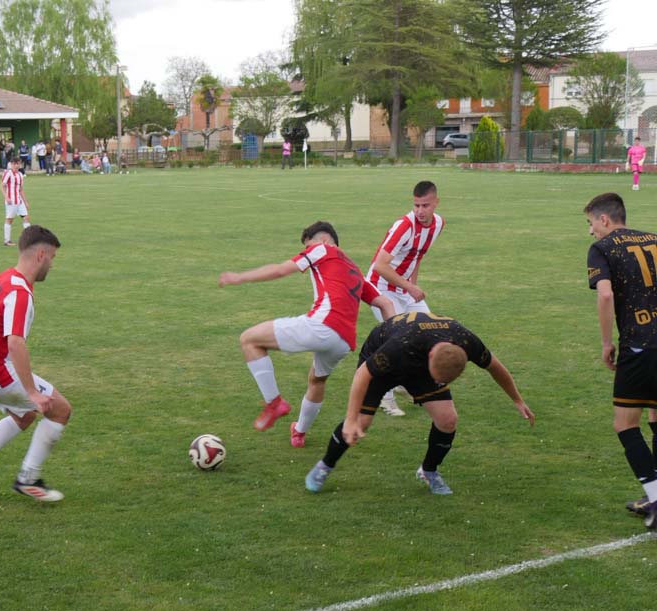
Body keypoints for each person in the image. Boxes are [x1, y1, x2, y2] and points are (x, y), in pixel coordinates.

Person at [304, 311, 535, 495]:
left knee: (448, 419)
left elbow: (495, 367)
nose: (438, 383)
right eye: (437, 378)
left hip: (419, 364)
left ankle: (429, 471)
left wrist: (517, 400)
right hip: (382, 359)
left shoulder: (466, 341)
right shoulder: (402, 346)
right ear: (432, 358)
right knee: (361, 423)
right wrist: (351, 419)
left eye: (441, 381)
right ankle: (325, 465)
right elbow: (362, 375)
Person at [219, 221, 395, 446]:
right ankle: (299, 432)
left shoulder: (322, 249)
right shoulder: (355, 270)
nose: (306, 251)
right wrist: (393, 342)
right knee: (317, 380)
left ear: (322, 240)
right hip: (343, 342)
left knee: (249, 340)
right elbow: (386, 303)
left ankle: (274, 403)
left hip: (323, 325)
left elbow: (281, 269)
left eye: (307, 245)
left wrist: (240, 277)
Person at [0, 225, 71, 503]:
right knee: (60, 411)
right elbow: (15, 342)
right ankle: (28, 479)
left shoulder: (5, 278)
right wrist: (32, 392)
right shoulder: (19, 293)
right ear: (41, 254)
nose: (52, 265)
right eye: (53, 257)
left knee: (25, 414)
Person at [584, 193, 657, 526]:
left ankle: (655, 500)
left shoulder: (604, 248)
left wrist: (605, 342)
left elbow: (606, 294)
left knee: (625, 424)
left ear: (604, 220)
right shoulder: (654, 239)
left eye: (590, 224)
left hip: (640, 345)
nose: (590, 232)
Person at [366, 179, 445, 417]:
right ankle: (384, 397)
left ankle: (405, 383)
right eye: (416, 205)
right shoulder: (404, 226)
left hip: (403, 288)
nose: (420, 211)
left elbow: (417, 255)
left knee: (430, 331)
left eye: (425, 205)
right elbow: (379, 265)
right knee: (397, 340)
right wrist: (410, 287)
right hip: (379, 288)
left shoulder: (438, 224)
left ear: (436, 203)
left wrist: (412, 284)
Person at [1, 158, 31, 246]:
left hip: (19, 201)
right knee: (9, 220)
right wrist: (6, 197)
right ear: (11, 164)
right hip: (11, 201)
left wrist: (26, 202)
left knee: (26, 217)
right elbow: (1, 186)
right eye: (15, 163)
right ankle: (7, 241)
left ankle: (28, 240)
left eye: (18, 163)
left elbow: (21, 190)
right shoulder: (7, 173)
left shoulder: (20, 175)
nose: (17, 165)